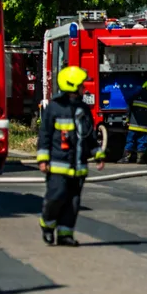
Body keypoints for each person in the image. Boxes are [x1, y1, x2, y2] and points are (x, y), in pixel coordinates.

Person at [36, 66, 105, 246]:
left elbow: (89, 136)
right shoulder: (54, 108)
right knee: (56, 196)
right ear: (72, 86)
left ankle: (65, 233)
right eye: (82, 85)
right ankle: (47, 225)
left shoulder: (83, 108)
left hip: (78, 166)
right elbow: (45, 135)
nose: (85, 88)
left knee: (73, 202)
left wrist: (97, 154)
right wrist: (43, 159)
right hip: (58, 164)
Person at [120, 80, 147, 164]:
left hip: (133, 125)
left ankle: (125, 158)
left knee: (130, 141)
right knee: (142, 142)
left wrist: (126, 119)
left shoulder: (137, 94)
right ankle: (140, 159)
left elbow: (129, 105)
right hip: (144, 126)